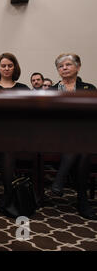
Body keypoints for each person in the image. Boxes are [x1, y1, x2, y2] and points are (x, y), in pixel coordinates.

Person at [0, 53, 30, 218]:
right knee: (4, 145)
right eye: (3, 66)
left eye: (10, 65)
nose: (7, 68)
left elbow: (29, 114)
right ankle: (8, 196)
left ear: (15, 67)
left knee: (6, 143)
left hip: (18, 134)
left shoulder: (23, 88)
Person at [49, 53, 96, 220]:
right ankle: (82, 200)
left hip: (82, 135)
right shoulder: (52, 91)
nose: (64, 68)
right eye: (61, 66)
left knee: (82, 146)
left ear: (78, 67)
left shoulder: (89, 89)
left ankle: (60, 180)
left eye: (68, 64)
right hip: (57, 136)